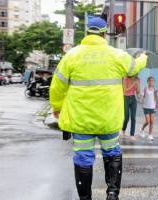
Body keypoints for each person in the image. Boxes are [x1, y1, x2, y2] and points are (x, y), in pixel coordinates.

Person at [50, 17, 147, 200]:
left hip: (81, 121)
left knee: (83, 158)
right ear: (104, 34)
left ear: (87, 33)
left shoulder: (72, 55)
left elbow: (57, 86)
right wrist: (143, 57)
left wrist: (57, 107)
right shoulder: (116, 55)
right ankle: (112, 193)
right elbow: (135, 67)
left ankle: (85, 198)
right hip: (108, 119)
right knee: (112, 153)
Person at [139, 76, 158, 141]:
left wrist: (156, 106)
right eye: (150, 81)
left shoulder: (155, 90)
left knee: (152, 122)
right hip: (146, 107)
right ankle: (141, 130)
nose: (151, 82)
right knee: (147, 121)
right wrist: (141, 101)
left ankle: (150, 135)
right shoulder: (145, 89)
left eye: (152, 81)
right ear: (148, 82)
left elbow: (157, 98)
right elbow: (141, 96)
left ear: (154, 82)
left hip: (152, 107)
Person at [121, 75, 140, 142]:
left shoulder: (137, 79)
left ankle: (132, 135)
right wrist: (134, 84)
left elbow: (138, 92)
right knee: (126, 117)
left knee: (133, 117)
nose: (136, 74)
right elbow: (125, 90)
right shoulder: (125, 78)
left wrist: (138, 84)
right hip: (126, 98)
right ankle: (123, 130)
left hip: (133, 98)